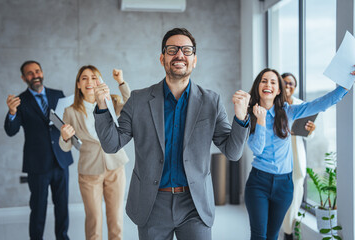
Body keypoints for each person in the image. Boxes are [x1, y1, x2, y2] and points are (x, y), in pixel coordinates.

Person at [93, 28, 250, 240]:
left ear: (194, 60)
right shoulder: (138, 100)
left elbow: (232, 152)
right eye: (172, 50)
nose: (179, 55)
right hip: (152, 203)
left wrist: (240, 118)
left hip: (195, 204)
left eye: (187, 50)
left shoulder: (211, 101)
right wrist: (102, 108)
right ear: (162, 58)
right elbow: (112, 144)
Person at [244, 68, 354, 240]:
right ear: (258, 86)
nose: (268, 85)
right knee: (259, 235)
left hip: (284, 184)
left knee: (272, 235)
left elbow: (319, 104)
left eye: (273, 82)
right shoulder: (248, 115)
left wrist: (345, 86)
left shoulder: (287, 111)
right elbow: (256, 149)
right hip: (259, 182)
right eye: (264, 81)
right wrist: (261, 120)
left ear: (278, 90)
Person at [4, 60, 73, 240]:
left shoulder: (58, 95)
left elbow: (69, 122)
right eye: (30, 73)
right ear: (23, 78)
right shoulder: (20, 101)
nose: (35, 75)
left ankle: (63, 237)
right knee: (38, 208)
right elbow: (11, 131)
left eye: (37, 71)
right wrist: (11, 112)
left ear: (42, 72)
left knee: (63, 207)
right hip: (37, 165)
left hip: (61, 160)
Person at [59, 65, 130, 240]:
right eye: (84, 78)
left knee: (116, 220)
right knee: (94, 221)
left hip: (115, 167)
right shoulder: (70, 111)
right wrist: (65, 137)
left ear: (100, 81)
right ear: (78, 84)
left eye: (93, 77)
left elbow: (131, 105)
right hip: (89, 172)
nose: (89, 81)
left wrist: (120, 82)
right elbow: (66, 147)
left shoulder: (112, 101)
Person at [281, 73, 315, 240]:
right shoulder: (274, 104)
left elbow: (308, 134)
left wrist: (311, 129)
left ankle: (289, 232)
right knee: (280, 198)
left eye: (291, 83)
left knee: (295, 198)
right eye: (284, 83)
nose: (288, 86)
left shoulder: (302, 105)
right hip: (279, 159)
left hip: (296, 158)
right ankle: (283, 230)